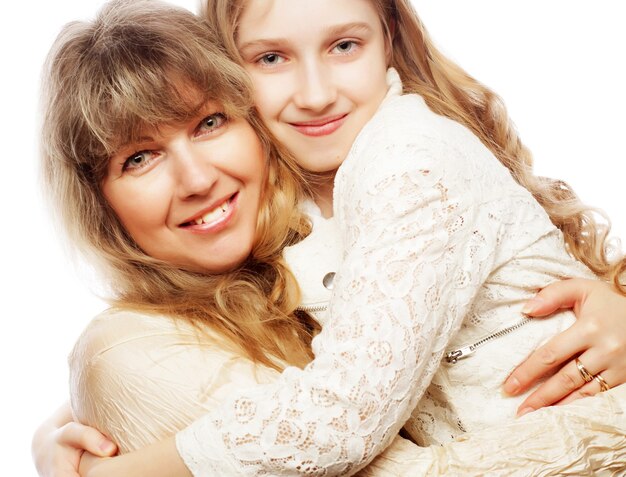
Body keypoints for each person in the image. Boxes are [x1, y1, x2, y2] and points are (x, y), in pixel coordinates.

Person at [33, 0, 626, 476]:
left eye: (207, 123)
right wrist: (58, 424)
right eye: (139, 157)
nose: (315, 93)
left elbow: (342, 417)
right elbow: (156, 367)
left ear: (390, 39)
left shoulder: (407, 161)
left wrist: (118, 472)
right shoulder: (295, 210)